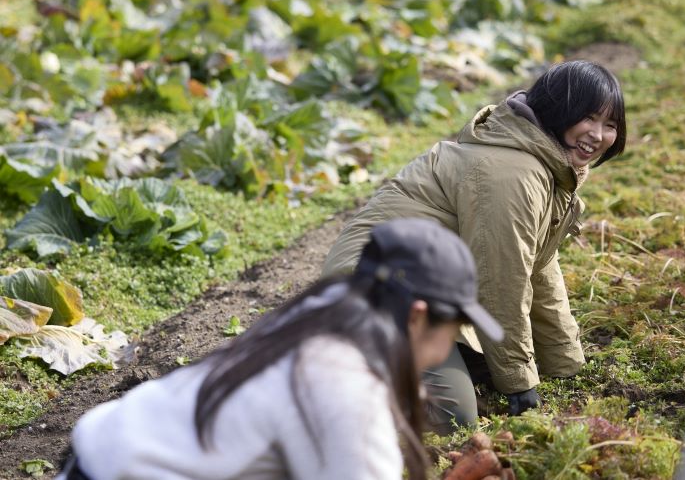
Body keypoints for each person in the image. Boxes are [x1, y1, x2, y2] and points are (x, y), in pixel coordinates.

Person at [57, 218, 503, 480]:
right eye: (454, 328)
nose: (449, 346)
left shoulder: (323, 308)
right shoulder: (349, 389)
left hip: (101, 452)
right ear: (417, 315)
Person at [322, 60, 626, 433]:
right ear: (558, 109)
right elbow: (501, 282)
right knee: (452, 414)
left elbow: (539, 269)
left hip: (421, 293)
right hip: (375, 289)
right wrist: (520, 382)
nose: (598, 135)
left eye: (609, 125)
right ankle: (326, 395)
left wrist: (564, 365)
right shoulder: (513, 174)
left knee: (483, 369)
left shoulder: (547, 165)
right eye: (588, 118)